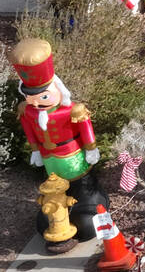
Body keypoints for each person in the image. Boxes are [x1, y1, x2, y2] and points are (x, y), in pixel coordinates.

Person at [8, 38, 108, 241]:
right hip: (50, 161)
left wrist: (90, 148)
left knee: (83, 191)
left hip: (74, 159)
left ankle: (88, 206)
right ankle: (58, 212)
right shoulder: (28, 112)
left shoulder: (72, 111)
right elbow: (29, 129)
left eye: (42, 97)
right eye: (31, 98)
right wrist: (35, 149)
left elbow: (85, 126)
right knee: (52, 198)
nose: (36, 103)